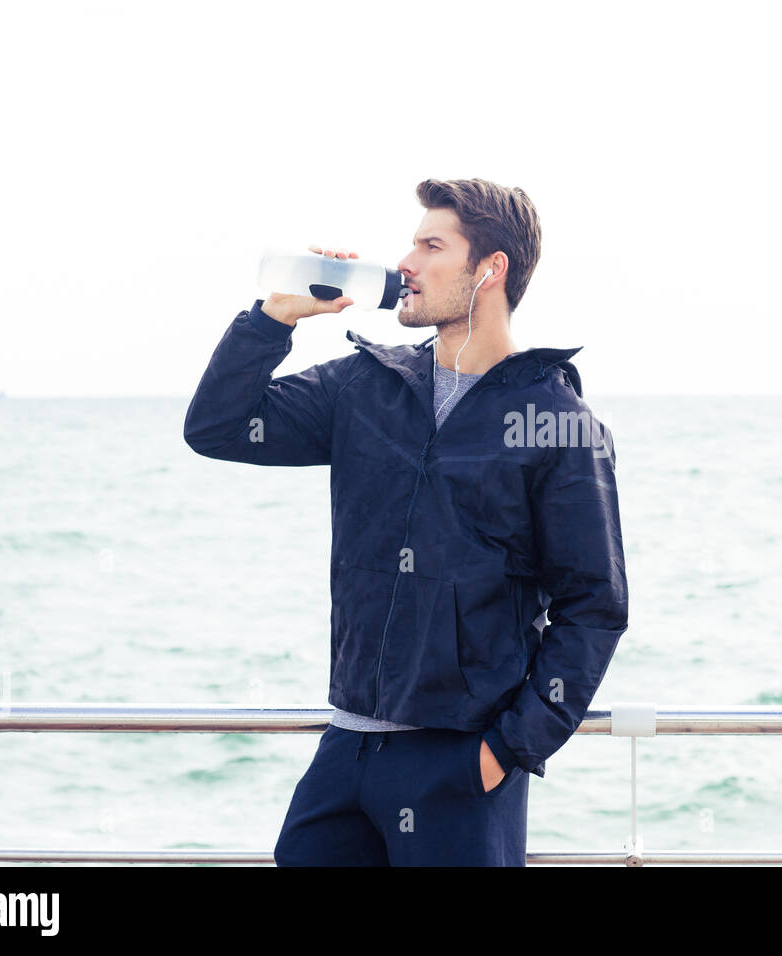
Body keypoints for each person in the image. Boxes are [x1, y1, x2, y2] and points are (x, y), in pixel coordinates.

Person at [183, 177, 629, 866]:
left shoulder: (558, 426)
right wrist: (274, 319)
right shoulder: (364, 388)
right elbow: (217, 427)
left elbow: (594, 609)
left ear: (490, 269)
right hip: (345, 751)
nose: (406, 264)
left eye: (430, 245)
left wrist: (506, 751)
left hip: (459, 763)